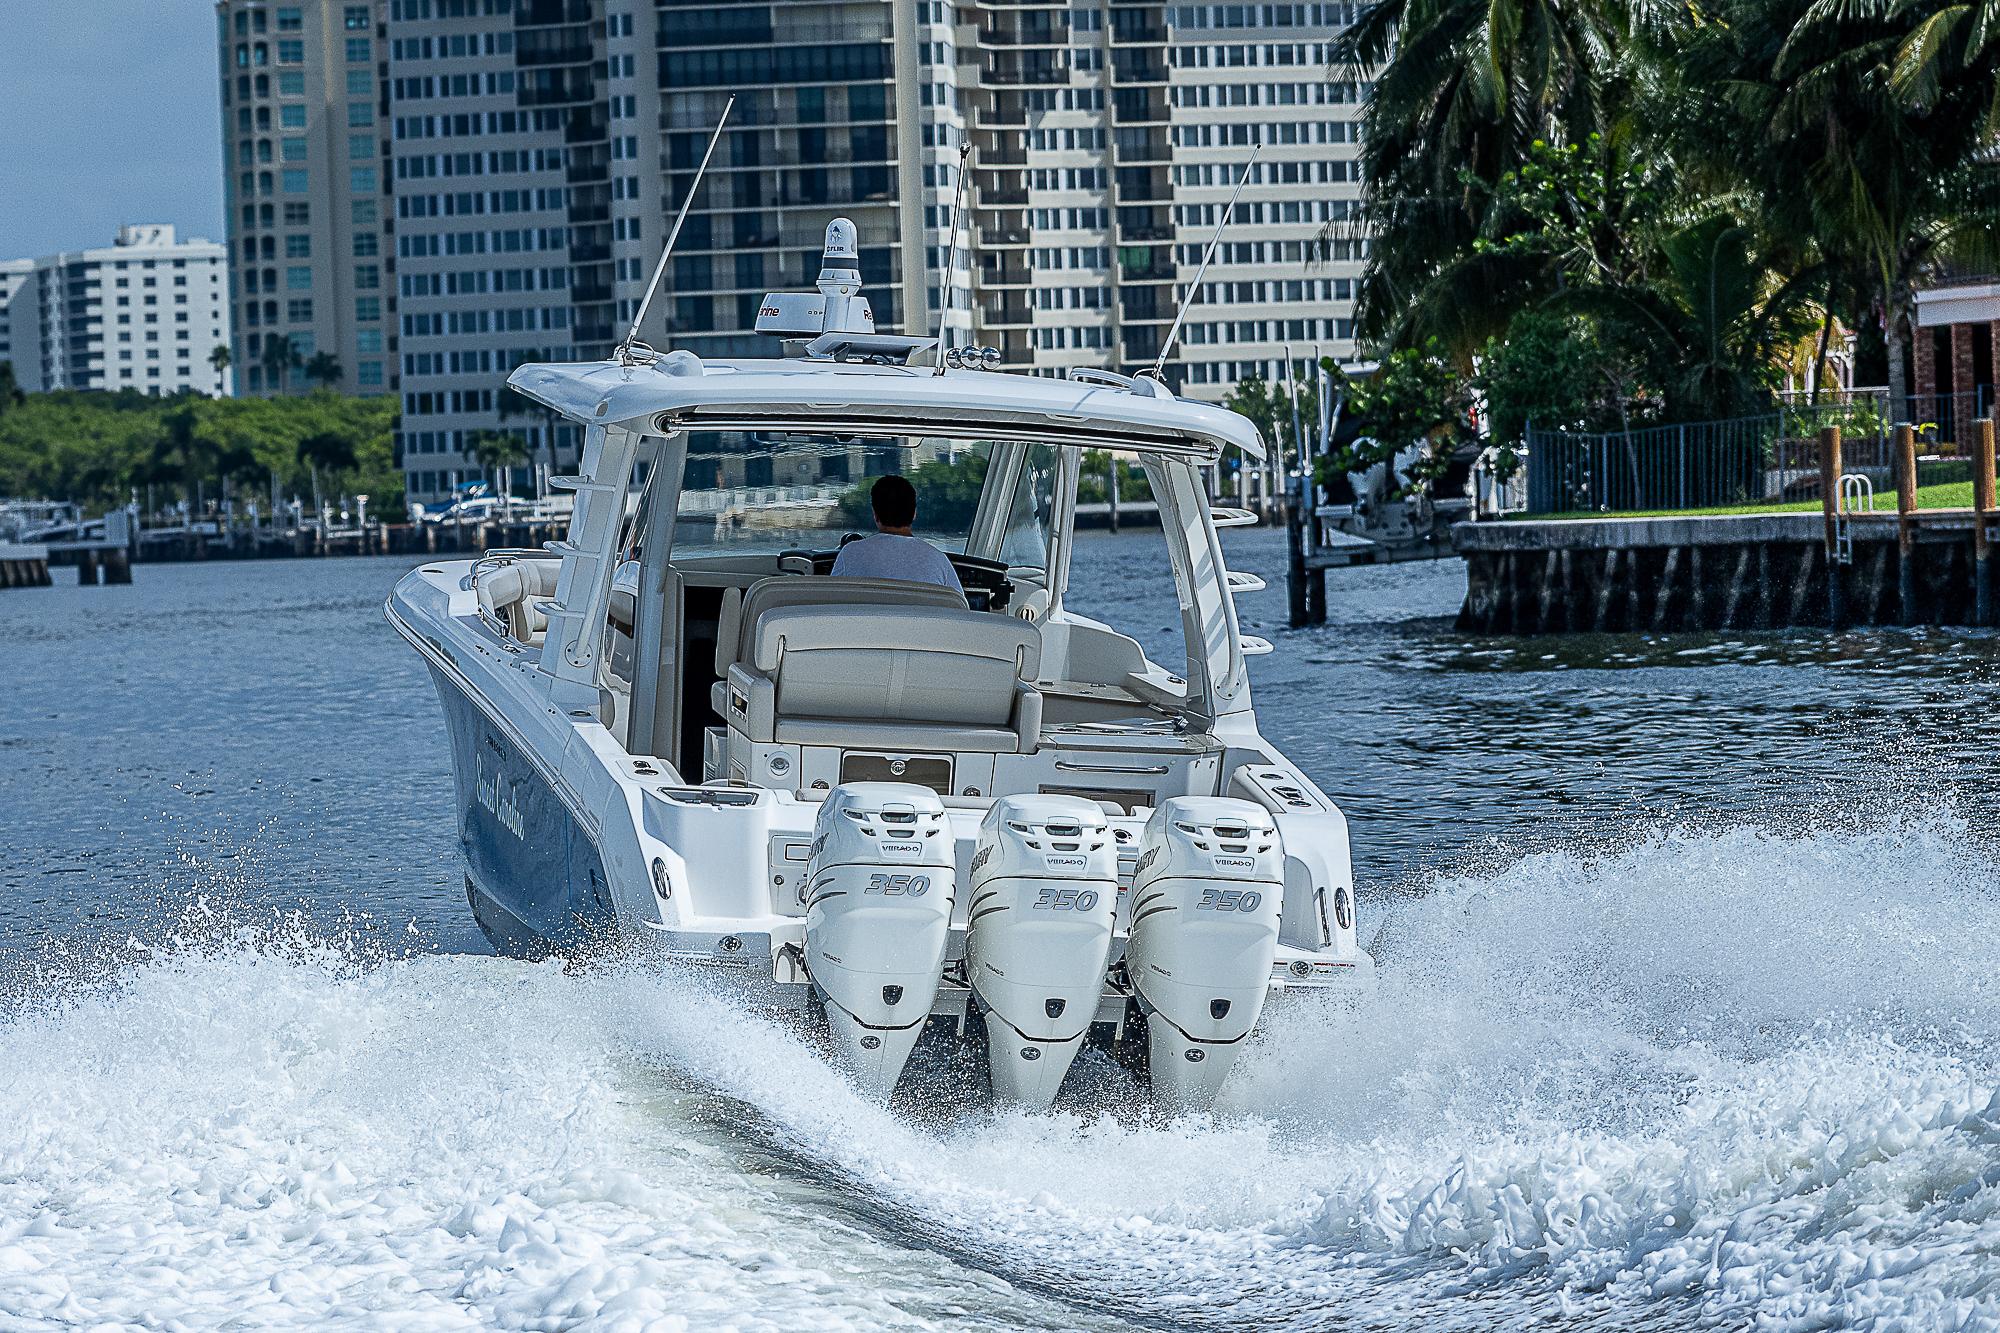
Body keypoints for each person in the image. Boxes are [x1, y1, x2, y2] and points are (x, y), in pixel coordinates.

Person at [830, 474, 963, 592]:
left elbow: (832, 601)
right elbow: (959, 609)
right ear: (914, 514)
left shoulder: (850, 554)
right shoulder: (938, 560)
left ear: (875, 515)